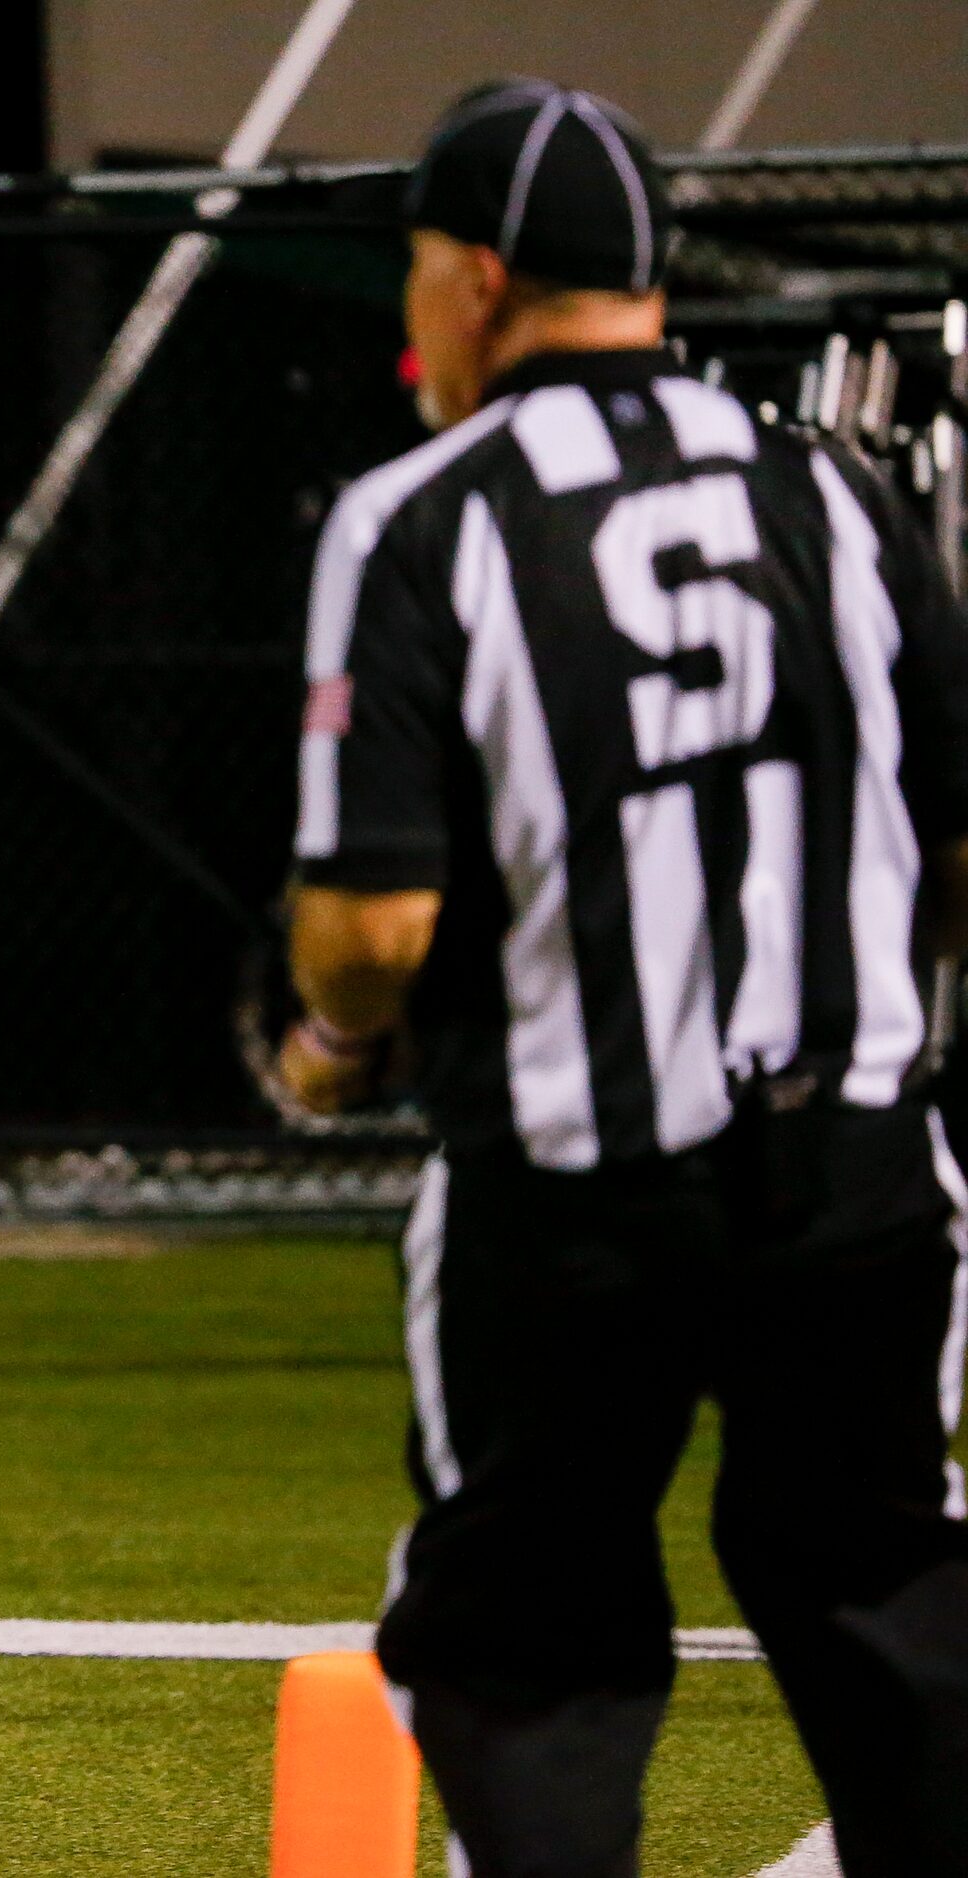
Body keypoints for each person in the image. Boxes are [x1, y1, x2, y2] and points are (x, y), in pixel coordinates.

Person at [279, 82, 968, 1875]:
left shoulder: (424, 515)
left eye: (423, 271)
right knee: (893, 1603)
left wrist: (331, 1050)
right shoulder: (835, 486)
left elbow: (370, 929)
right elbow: (954, 837)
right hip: (857, 1163)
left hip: (576, 1181)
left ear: (485, 278)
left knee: (538, 1649)